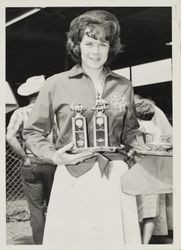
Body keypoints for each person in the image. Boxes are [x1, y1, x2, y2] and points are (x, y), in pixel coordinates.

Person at [23, 10, 145, 248]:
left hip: (115, 175)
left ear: (111, 46)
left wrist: (145, 143)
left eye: (103, 43)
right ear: (77, 45)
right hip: (73, 176)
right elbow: (32, 132)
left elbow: (130, 131)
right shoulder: (55, 84)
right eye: (89, 43)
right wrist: (54, 156)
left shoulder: (124, 85)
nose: (95, 51)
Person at [6, 75, 57, 244]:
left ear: (28, 95)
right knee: (55, 205)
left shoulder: (19, 112)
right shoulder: (53, 111)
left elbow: (10, 137)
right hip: (51, 162)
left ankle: (40, 244)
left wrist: (24, 157)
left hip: (30, 163)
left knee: (36, 210)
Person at [134, 98, 173, 244]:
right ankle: (145, 243)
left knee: (137, 211)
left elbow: (135, 150)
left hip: (139, 174)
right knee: (150, 214)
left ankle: (137, 241)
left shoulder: (137, 131)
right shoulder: (158, 131)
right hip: (154, 176)